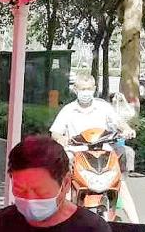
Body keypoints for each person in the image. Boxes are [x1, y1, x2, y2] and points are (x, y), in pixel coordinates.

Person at [50, 73, 139, 222]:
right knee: (66, 176)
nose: (86, 92)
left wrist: (127, 129)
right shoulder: (68, 110)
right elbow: (55, 132)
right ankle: (62, 219)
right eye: (82, 89)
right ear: (75, 89)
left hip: (104, 153)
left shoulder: (103, 107)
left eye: (89, 89)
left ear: (94, 89)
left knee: (120, 182)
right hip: (77, 153)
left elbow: (119, 123)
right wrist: (61, 138)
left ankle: (136, 224)